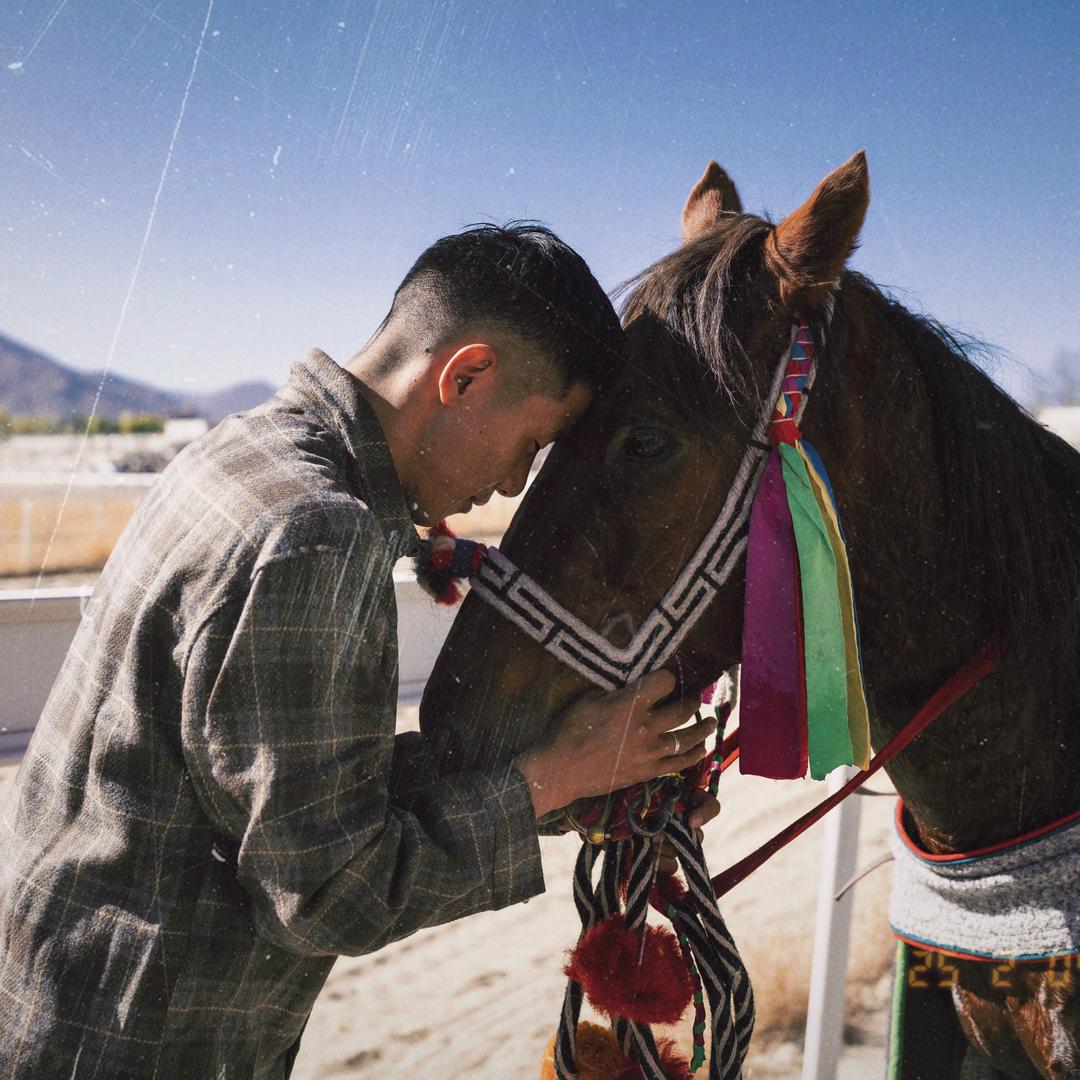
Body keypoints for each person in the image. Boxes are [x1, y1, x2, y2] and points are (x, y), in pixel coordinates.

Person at [0, 223, 717, 1078]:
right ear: (467, 375)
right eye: (530, 444)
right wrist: (551, 780)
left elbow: (290, 794)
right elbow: (326, 893)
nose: (516, 484)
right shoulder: (319, 532)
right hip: (137, 1045)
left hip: (64, 1004)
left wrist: (571, 780)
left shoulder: (247, 454)